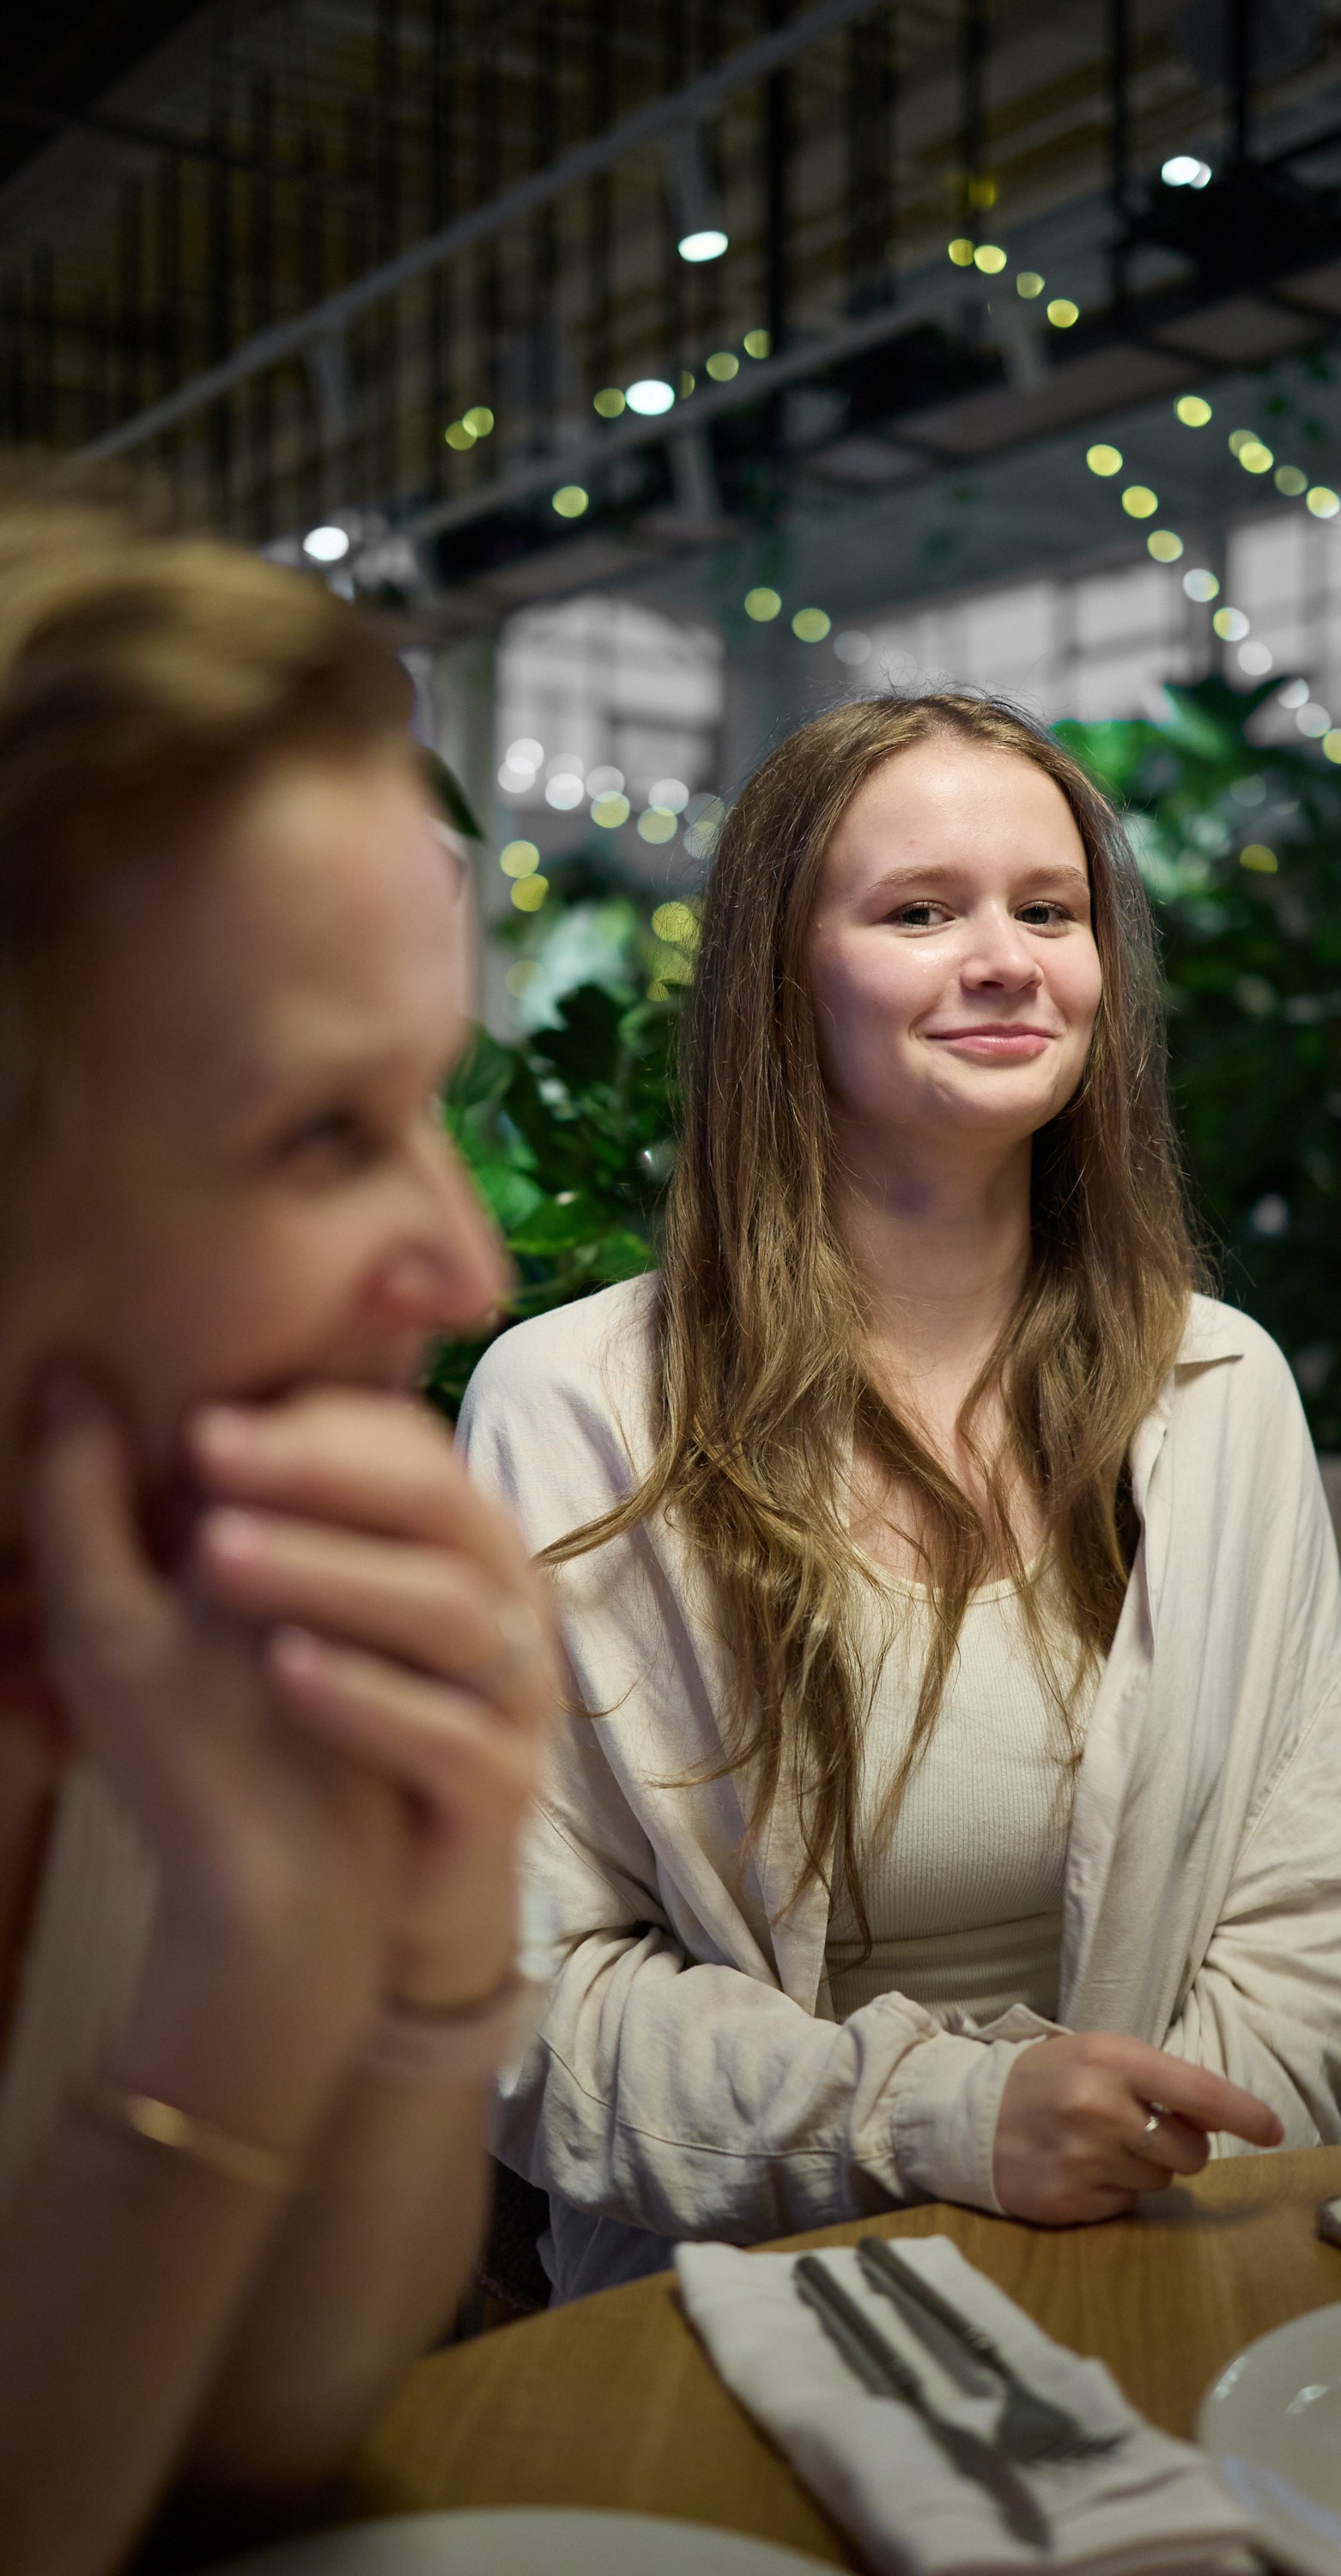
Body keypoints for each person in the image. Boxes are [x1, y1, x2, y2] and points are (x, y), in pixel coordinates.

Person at [464, 692, 1341, 2304]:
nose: (1007, 958)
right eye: (920, 911)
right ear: (780, 976)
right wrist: (956, 2124)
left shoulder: (1221, 1390)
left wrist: (1128, 2188)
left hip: (1157, 2265)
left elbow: (1319, 1928)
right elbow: (527, 1995)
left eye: (1051, 909)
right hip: (732, 2298)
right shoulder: (573, 1408)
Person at [0, 495, 560, 2576]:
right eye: (327, 1133)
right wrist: (246, 1991)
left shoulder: (158, 1611)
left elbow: (268, 2426)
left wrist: (420, 1944)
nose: (468, 1263)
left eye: (431, 1107)